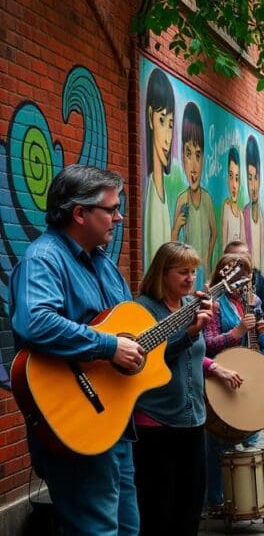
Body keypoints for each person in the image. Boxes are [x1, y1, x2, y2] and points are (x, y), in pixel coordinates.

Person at [10, 165, 142, 535]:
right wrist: (107, 345)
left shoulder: (103, 263)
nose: (119, 217)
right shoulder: (44, 258)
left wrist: (185, 329)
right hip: (74, 421)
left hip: (113, 421)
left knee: (127, 528)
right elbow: (36, 322)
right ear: (80, 213)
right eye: (111, 209)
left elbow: (131, 336)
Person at [133, 242, 240, 535]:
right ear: (162, 273)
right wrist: (190, 333)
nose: (190, 278)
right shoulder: (144, 309)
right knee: (158, 508)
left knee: (190, 506)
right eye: (182, 272)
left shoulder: (187, 307)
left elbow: (192, 353)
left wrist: (212, 366)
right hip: (156, 419)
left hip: (193, 417)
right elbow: (147, 356)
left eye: (193, 271)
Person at [202, 252, 264, 515]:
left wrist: (261, 328)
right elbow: (207, 343)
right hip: (221, 373)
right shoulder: (214, 302)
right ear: (223, 274)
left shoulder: (254, 300)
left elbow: (261, 343)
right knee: (218, 440)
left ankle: (242, 499)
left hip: (248, 371)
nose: (243, 279)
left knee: (248, 437)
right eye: (237, 274)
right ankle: (216, 500)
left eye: (247, 274)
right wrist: (237, 332)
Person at [171, 102, 217, 285]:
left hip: (203, 269)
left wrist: (207, 258)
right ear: (182, 156)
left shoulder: (206, 199)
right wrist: (176, 228)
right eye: (188, 154)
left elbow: (214, 232)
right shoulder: (182, 199)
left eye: (198, 155)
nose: (193, 166)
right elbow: (172, 244)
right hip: (187, 272)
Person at [143, 68, 175, 268]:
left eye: (170, 124)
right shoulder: (152, 195)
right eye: (162, 120)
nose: (167, 137)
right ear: (149, 117)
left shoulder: (165, 196)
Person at [224, 239, 264, 331]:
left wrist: (262, 324)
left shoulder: (258, 279)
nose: (242, 258)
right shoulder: (220, 284)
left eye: (245, 255)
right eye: (237, 255)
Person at [242, 135, 263, 270]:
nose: (253, 186)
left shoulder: (261, 214)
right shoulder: (244, 214)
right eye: (250, 178)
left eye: (256, 177)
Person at [221, 146, 245, 246]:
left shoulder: (240, 215)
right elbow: (223, 245)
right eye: (230, 176)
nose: (234, 185)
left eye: (237, 178)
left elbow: (244, 246)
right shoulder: (226, 207)